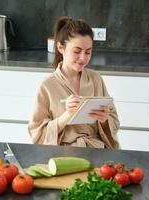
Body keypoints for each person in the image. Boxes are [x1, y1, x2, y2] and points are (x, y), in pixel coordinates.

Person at [28, 16, 120, 149]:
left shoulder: (96, 79)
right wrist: (67, 115)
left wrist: (104, 120)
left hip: (97, 151)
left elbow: (115, 122)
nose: (83, 58)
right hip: (62, 154)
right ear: (61, 48)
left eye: (88, 52)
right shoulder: (47, 86)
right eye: (77, 51)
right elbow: (37, 134)